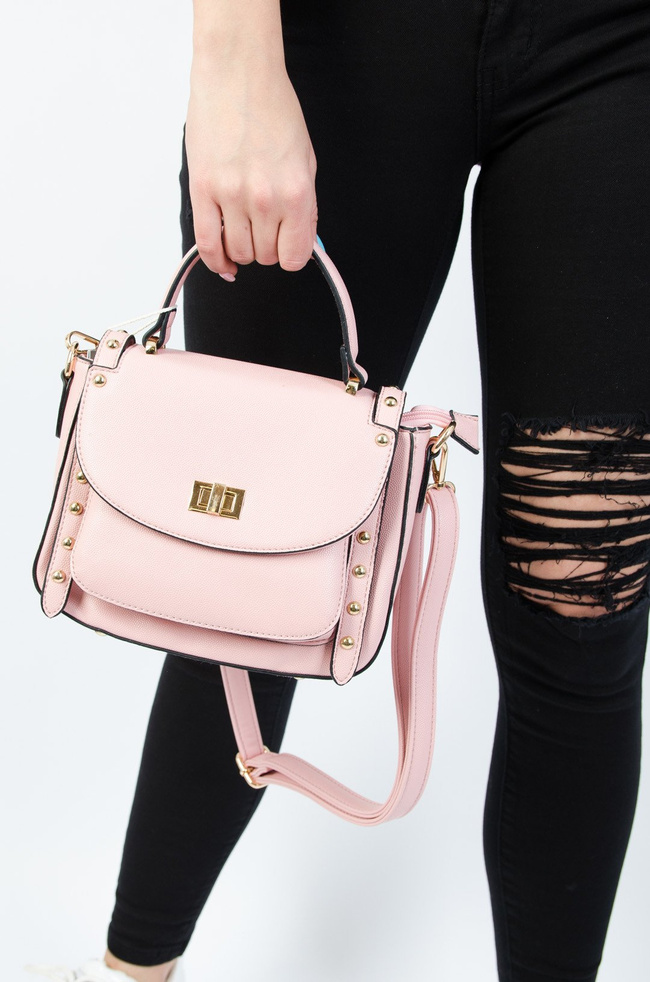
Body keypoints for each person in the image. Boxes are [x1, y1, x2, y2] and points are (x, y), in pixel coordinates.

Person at [26, 0, 650, 980]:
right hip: (347, 34)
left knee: (582, 610)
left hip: (616, 54)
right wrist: (231, 56)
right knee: (237, 578)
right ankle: (133, 967)